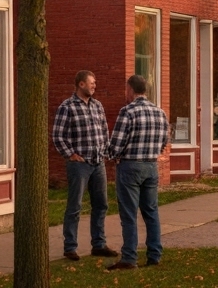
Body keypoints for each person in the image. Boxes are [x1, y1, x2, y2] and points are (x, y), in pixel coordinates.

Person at [103, 75, 170, 270]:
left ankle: (129, 257)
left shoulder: (128, 111)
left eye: (126, 89)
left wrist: (112, 154)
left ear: (131, 89)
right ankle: (154, 255)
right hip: (151, 166)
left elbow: (116, 143)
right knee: (151, 212)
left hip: (130, 166)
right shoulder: (160, 112)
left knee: (129, 214)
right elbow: (165, 141)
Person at [51, 70, 118, 262]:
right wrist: (70, 154)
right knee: (75, 206)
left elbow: (105, 132)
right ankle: (70, 247)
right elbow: (58, 135)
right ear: (81, 84)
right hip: (79, 165)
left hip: (98, 163)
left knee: (101, 204)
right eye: (92, 83)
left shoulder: (97, 106)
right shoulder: (68, 107)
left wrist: (106, 152)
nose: (94, 86)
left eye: (95, 83)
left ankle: (99, 244)